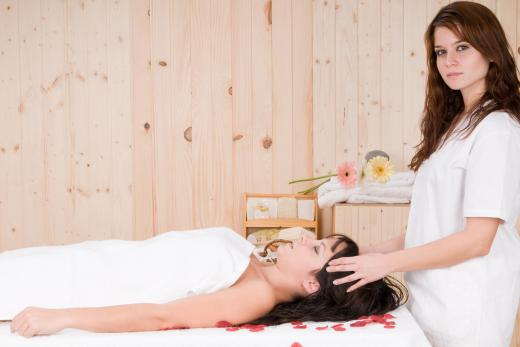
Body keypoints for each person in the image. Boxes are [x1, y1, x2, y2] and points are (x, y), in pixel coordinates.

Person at [327, 2, 520, 347]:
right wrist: (371, 251)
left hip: (469, 303)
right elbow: (432, 226)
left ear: (490, 51)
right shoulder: (456, 126)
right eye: (441, 51)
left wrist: (385, 263)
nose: (450, 61)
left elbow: (478, 239)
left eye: (463, 48)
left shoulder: (496, 130)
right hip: (432, 299)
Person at [3, 227, 406, 338]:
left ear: (313, 285)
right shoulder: (259, 265)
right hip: (85, 259)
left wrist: (56, 317)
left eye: (315, 248)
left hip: (78, 283)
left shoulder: (256, 295)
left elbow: (161, 317)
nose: (304, 237)